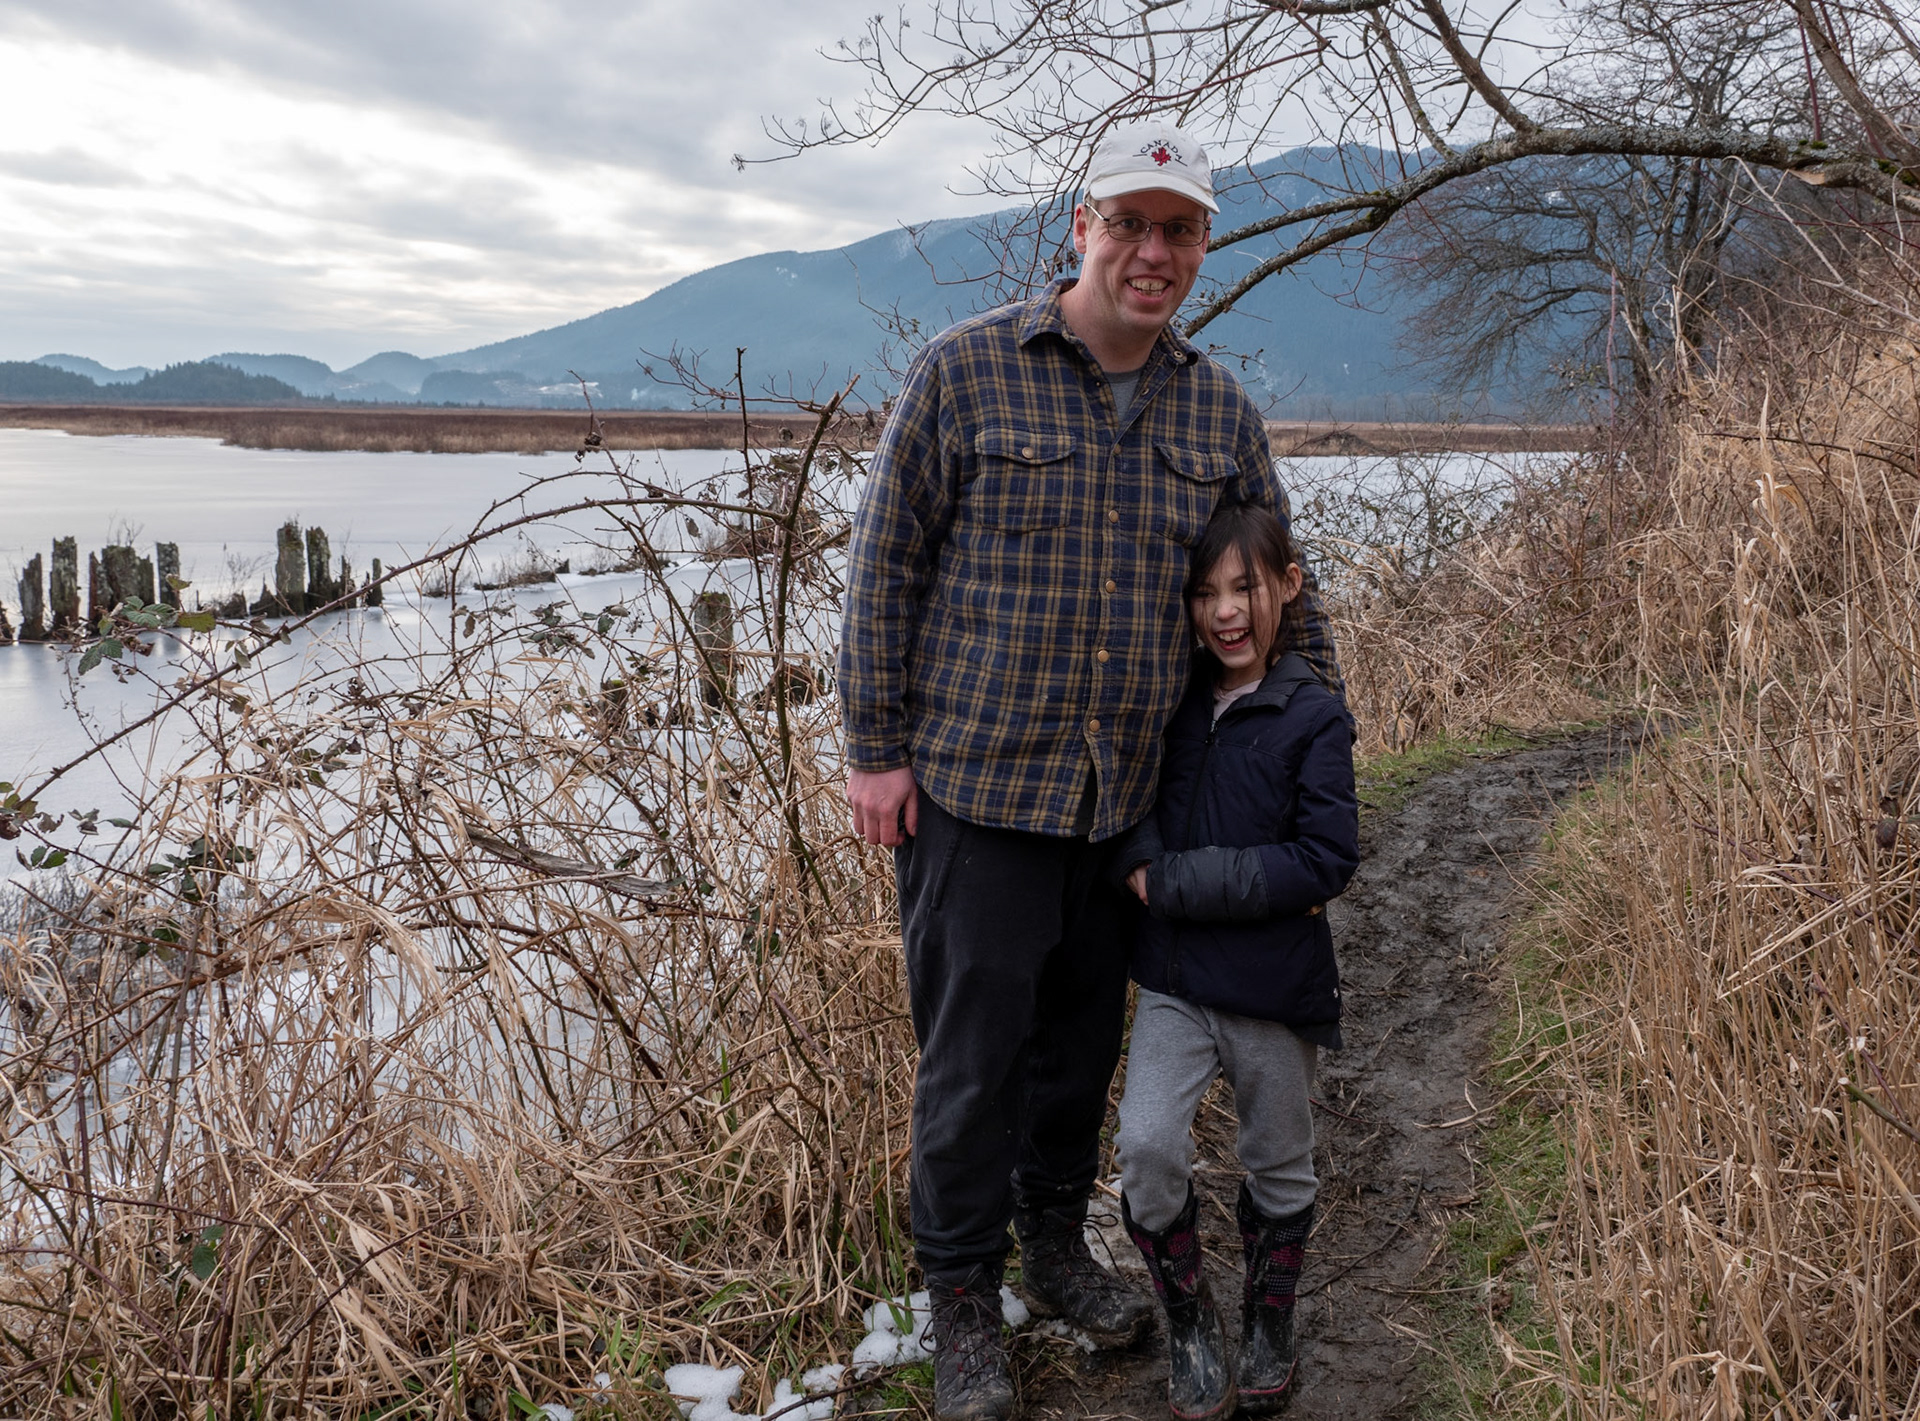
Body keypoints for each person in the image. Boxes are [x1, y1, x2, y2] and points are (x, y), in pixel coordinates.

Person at [838, 118, 1344, 1421]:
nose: (1151, 250)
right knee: (971, 1065)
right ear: (1083, 225)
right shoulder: (965, 375)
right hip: (977, 792)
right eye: (1129, 223)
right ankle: (962, 1310)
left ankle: (1056, 1249)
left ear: (1201, 245)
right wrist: (875, 753)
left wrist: (1316, 740)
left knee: (1080, 1053)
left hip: (1126, 809)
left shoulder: (1215, 409)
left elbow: (1283, 586)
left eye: (1178, 229)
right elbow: (884, 569)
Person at [1113, 501, 1359, 1418]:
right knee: (1143, 1146)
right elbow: (1131, 805)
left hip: (1271, 989)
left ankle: (1270, 1318)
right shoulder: (1173, 707)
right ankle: (1189, 1322)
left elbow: (1324, 861)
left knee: (1279, 1163)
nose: (1226, 610)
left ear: (1287, 587)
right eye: (1206, 592)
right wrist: (1136, 861)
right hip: (1176, 985)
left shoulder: (1313, 717)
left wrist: (1175, 883)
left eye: (1244, 586)